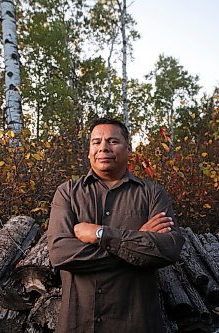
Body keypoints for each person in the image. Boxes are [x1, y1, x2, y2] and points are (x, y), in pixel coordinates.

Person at [47, 117, 185, 333]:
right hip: (79, 324)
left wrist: (101, 234)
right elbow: (60, 253)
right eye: (96, 142)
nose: (103, 147)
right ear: (89, 151)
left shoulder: (152, 193)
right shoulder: (67, 193)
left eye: (112, 141)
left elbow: (168, 249)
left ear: (128, 149)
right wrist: (136, 243)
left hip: (137, 324)